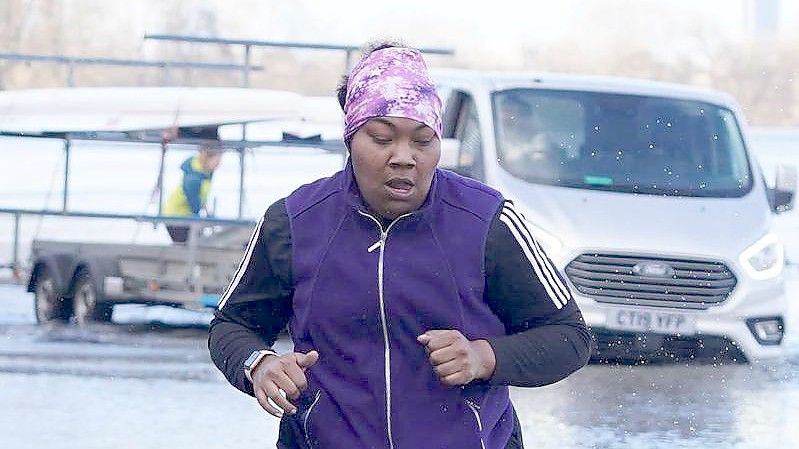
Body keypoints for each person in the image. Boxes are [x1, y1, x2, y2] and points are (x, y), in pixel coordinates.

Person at [208, 42, 591, 449]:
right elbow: (232, 326)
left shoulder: (487, 221)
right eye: (382, 138)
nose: (404, 157)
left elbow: (568, 337)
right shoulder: (295, 221)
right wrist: (260, 364)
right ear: (351, 137)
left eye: (423, 141)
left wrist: (483, 357)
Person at [163, 133, 223, 243]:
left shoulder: (206, 173)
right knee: (189, 244)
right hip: (176, 218)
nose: (219, 164)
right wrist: (206, 220)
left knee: (196, 240)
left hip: (185, 215)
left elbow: (201, 198)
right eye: (217, 160)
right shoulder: (193, 178)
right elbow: (194, 204)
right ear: (208, 158)